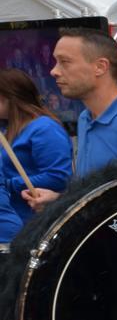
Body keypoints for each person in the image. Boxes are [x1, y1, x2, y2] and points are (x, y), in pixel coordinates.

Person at [23, 28, 117, 213]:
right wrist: (58, 201)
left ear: (100, 67)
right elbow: (101, 196)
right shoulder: (85, 118)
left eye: (65, 62)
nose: (54, 71)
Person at [0, 67, 72, 222]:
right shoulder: (8, 129)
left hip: (35, 220)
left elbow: (58, 176)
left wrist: (8, 184)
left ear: (8, 98)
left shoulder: (44, 128)